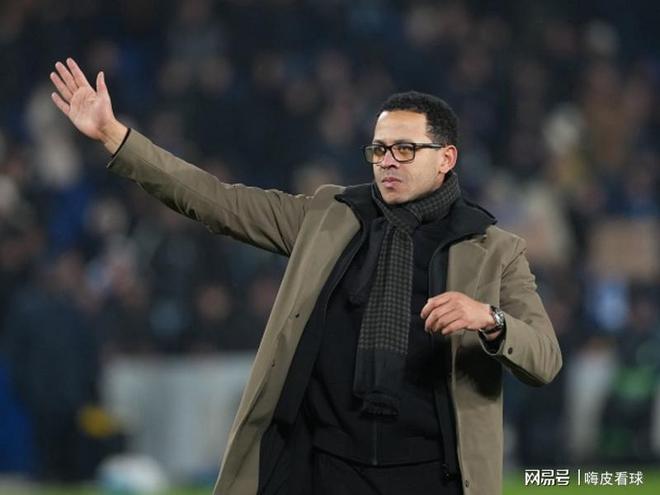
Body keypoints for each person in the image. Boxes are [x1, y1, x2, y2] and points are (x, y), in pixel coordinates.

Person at [49, 57, 562, 495]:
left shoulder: (494, 249)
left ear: (446, 158)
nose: (388, 161)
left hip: (431, 475)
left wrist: (490, 319)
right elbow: (217, 201)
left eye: (405, 149)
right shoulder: (330, 216)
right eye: (379, 149)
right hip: (325, 469)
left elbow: (545, 357)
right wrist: (115, 136)